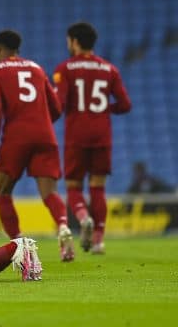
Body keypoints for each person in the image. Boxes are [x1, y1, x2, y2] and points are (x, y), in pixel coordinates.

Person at [0, 30, 75, 261]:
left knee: (3, 192)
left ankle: (22, 247)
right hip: (45, 135)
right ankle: (63, 226)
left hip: (16, 136)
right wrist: (40, 122)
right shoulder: (37, 68)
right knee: (50, 193)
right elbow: (56, 108)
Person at [54, 22, 132, 255]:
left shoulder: (65, 69)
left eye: (69, 40)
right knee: (98, 187)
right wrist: (105, 110)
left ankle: (82, 216)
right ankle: (98, 240)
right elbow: (125, 104)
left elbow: (61, 103)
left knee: (73, 186)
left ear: (75, 41)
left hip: (76, 134)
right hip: (102, 135)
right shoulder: (109, 69)